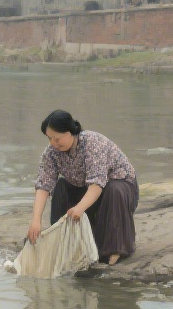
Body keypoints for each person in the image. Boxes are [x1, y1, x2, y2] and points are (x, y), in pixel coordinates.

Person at [25, 110, 138, 265]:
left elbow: (97, 183)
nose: (53, 143)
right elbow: (43, 186)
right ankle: (63, 244)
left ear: (71, 131)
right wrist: (36, 220)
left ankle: (115, 249)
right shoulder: (51, 153)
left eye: (57, 139)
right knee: (61, 187)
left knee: (113, 189)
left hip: (119, 190)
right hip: (84, 188)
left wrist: (79, 208)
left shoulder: (92, 144)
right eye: (50, 138)